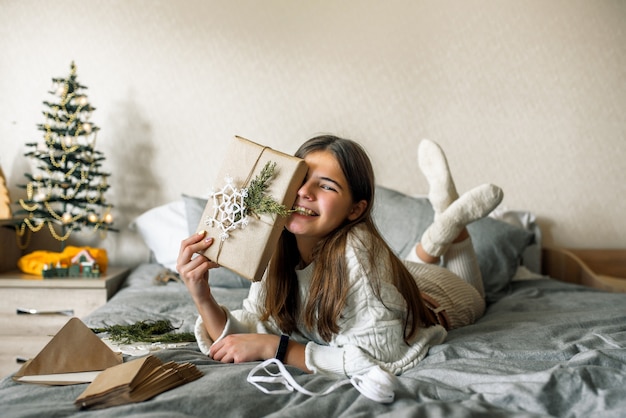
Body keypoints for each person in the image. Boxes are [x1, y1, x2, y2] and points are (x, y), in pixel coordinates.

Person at [177, 135, 503, 377]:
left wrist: (278, 348)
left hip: (442, 298)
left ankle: (450, 222)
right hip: (394, 280)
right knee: (404, 267)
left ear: (355, 210)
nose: (305, 192)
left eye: (327, 186)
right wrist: (200, 292)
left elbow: (379, 354)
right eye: (301, 179)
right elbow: (248, 327)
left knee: (477, 295)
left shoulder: (359, 250)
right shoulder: (279, 244)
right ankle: (443, 222)